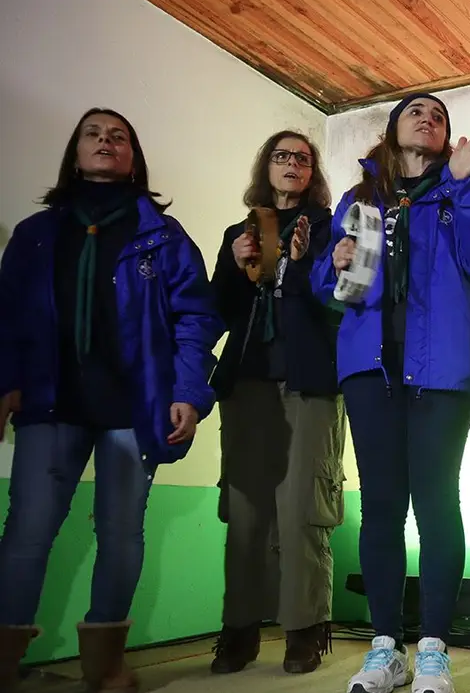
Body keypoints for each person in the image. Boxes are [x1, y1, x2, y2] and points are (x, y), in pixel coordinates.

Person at [0, 108, 222, 691]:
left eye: (118, 136)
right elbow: (8, 319)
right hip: (51, 402)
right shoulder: (35, 235)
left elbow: (195, 318)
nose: (106, 142)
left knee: (122, 531)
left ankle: (104, 667)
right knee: (27, 530)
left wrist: (188, 394)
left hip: (134, 407)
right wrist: (5, 383)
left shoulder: (164, 236)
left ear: (133, 157)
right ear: (75, 152)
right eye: (93, 134)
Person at [311, 92, 470, 693]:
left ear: (447, 140)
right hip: (370, 371)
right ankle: (384, 648)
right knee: (379, 506)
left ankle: (432, 647)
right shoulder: (360, 201)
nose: (427, 119)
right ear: (393, 130)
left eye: (438, 116)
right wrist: (335, 261)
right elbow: (337, 291)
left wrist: (462, 183)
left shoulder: (464, 187)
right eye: (415, 112)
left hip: (444, 371)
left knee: (435, 502)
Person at [208, 130, 345, 675]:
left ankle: (304, 628)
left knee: (302, 510)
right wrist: (235, 267)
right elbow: (218, 308)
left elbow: (338, 303)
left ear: (313, 173)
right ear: (266, 167)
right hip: (247, 381)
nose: (292, 165)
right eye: (282, 156)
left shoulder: (330, 230)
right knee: (244, 512)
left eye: (303, 158)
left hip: (308, 380)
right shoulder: (240, 232)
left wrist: (301, 266)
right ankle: (239, 628)